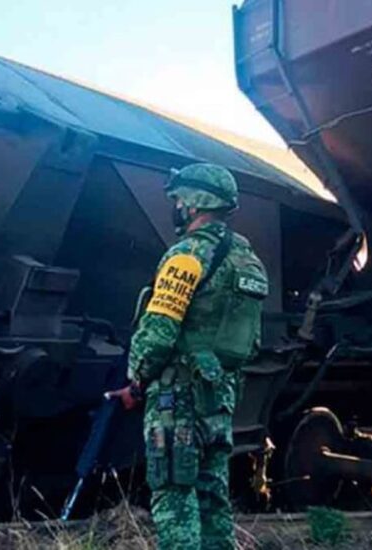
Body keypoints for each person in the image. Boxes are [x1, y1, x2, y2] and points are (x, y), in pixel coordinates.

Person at [107, 163, 269, 550]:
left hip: (178, 396)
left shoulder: (185, 257)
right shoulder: (247, 260)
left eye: (179, 199)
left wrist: (136, 380)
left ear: (196, 203)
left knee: (173, 494)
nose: (176, 206)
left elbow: (159, 331)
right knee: (212, 496)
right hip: (220, 395)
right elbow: (253, 341)